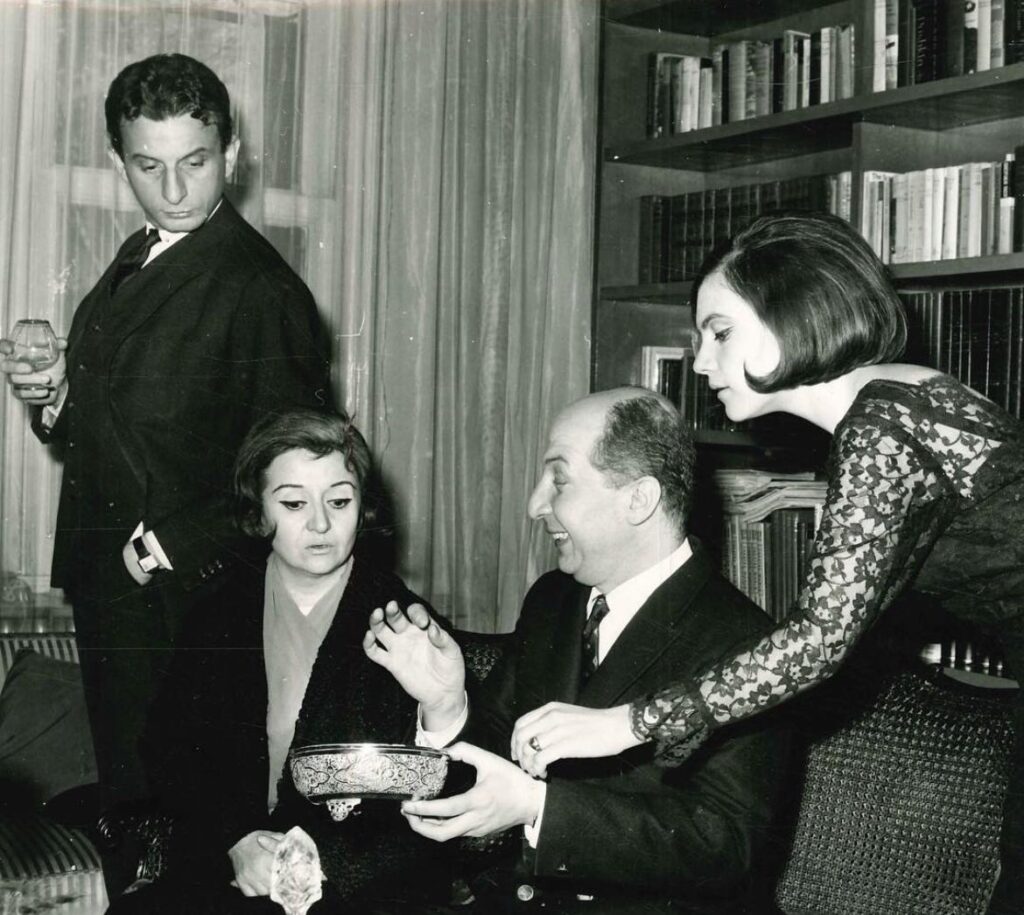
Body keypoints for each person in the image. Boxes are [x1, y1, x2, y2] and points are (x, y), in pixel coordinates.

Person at [505, 212, 1024, 915]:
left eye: (719, 331)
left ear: (791, 316)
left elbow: (819, 641)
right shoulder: (895, 404)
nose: (700, 362)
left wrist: (630, 722)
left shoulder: (882, 428)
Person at [0, 53, 330, 892]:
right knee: (135, 818)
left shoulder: (260, 287)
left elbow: (293, 474)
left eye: (196, 162)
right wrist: (53, 397)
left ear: (233, 153)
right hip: (117, 592)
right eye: (149, 166)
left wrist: (163, 549)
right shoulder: (139, 254)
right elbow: (131, 427)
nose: (174, 189)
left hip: (188, 606)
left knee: (179, 841)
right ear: (119, 159)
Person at [364, 388, 793, 914]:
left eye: (559, 480)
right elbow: (493, 764)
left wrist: (539, 807)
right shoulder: (554, 599)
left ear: (638, 499)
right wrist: (446, 703)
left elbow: (725, 847)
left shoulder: (749, 647)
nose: (535, 505)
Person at [108, 408, 453, 914]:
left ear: (364, 507)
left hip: (349, 883)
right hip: (228, 863)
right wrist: (235, 840)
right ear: (258, 511)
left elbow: (419, 796)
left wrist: (313, 867)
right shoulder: (215, 613)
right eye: (294, 503)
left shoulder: (405, 623)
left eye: (339, 501)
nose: (320, 523)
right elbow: (169, 749)